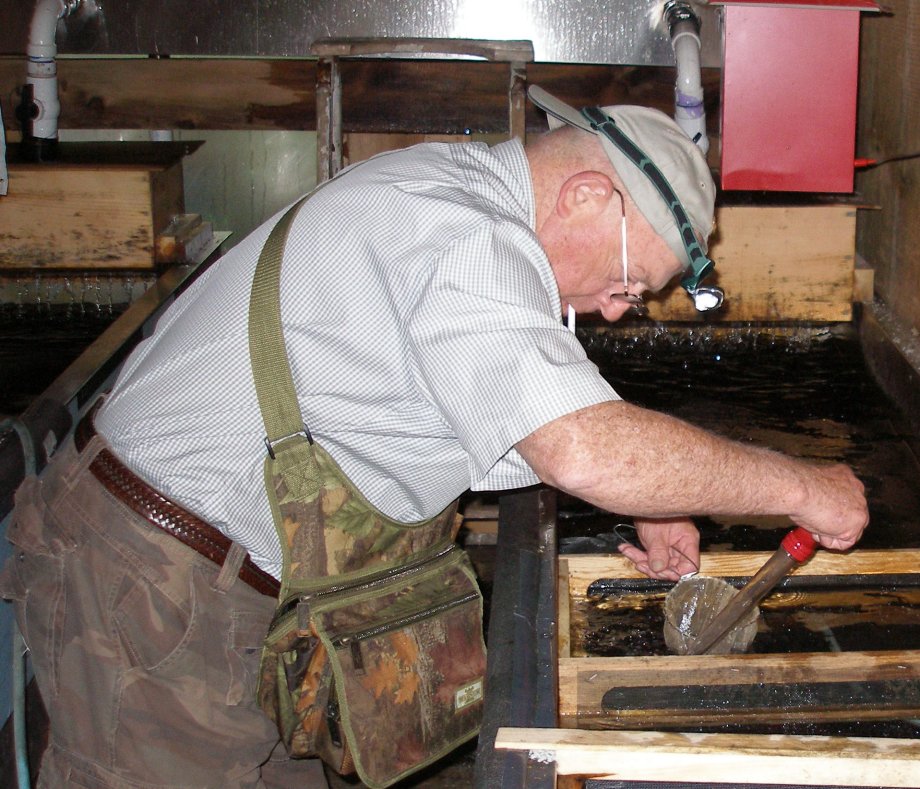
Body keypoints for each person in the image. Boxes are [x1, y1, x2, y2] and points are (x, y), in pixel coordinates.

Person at [1, 85, 868, 788]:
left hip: (224, 581)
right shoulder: (464, 235)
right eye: (631, 282)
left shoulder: (448, 191)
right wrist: (800, 486)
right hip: (151, 587)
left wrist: (656, 499)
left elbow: (512, 409)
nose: (615, 308)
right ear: (587, 195)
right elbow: (582, 444)